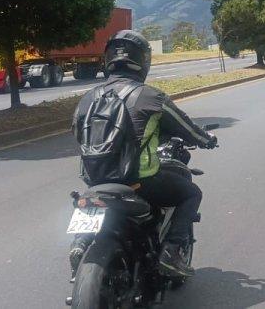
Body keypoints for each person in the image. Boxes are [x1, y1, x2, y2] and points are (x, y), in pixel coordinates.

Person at [71, 30, 217, 277]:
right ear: (143, 61)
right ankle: (171, 251)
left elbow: (77, 131)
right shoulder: (150, 96)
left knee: (88, 203)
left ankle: (81, 241)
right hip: (139, 181)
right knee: (191, 193)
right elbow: (186, 128)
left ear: (108, 60)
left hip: (95, 181)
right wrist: (206, 139)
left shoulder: (87, 98)